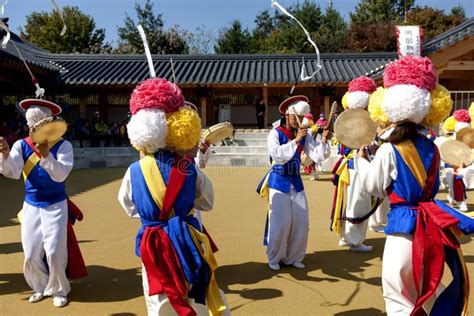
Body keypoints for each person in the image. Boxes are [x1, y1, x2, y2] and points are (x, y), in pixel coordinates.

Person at [356, 55, 472, 315]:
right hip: (430, 228)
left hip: (403, 227)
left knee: (398, 297)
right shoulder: (432, 147)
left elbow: (372, 186)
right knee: (425, 288)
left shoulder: (389, 150)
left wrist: (362, 161)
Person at [118, 78, 229, 315]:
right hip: (187, 236)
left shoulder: (133, 170)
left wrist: (153, 215)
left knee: (159, 298)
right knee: (195, 291)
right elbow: (207, 202)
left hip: (153, 240)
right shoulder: (189, 167)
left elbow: (127, 205)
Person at [0, 99, 86, 307]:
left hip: (55, 204)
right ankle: (39, 286)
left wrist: (46, 155)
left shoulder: (63, 146)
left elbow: (61, 174)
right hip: (31, 204)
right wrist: (4, 154)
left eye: (37, 124)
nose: (33, 128)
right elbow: (11, 171)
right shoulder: (22, 145)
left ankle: (59, 289)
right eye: (31, 124)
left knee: (55, 250)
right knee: (30, 251)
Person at [257, 95, 331, 271]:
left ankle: (294, 256)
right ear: (287, 115)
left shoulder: (304, 134)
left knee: (301, 222)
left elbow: (317, 155)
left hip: (296, 182)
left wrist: (325, 140)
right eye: (295, 117)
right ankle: (275, 257)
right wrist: (296, 140)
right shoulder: (275, 133)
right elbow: (277, 156)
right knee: (280, 223)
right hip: (278, 180)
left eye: (301, 118)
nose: (299, 122)